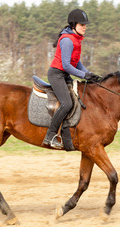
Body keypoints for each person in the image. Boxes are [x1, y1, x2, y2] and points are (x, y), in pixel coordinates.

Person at [42, 9, 101, 150]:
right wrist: (83, 75)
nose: (85, 27)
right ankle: (50, 135)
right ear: (74, 25)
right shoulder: (68, 40)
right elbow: (67, 65)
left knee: (78, 98)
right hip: (56, 74)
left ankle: (67, 136)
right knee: (67, 103)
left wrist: (89, 74)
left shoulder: (76, 38)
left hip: (64, 74)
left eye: (85, 25)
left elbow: (77, 62)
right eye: (82, 25)